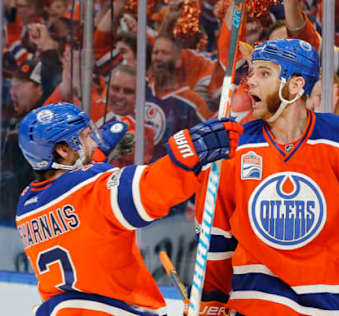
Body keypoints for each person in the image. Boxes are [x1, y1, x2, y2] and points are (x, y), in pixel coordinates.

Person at [194, 39, 339, 315]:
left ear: (295, 86)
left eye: (264, 73)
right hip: (256, 307)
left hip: (334, 308)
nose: (250, 84)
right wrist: (210, 299)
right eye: (250, 73)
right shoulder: (233, 150)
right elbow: (216, 238)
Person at [15, 102, 243, 315]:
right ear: (63, 150)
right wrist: (188, 151)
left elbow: (72, 197)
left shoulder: (26, 203)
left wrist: (98, 152)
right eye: (85, 137)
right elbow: (151, 189)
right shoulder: (89, 187)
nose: (93, 142)